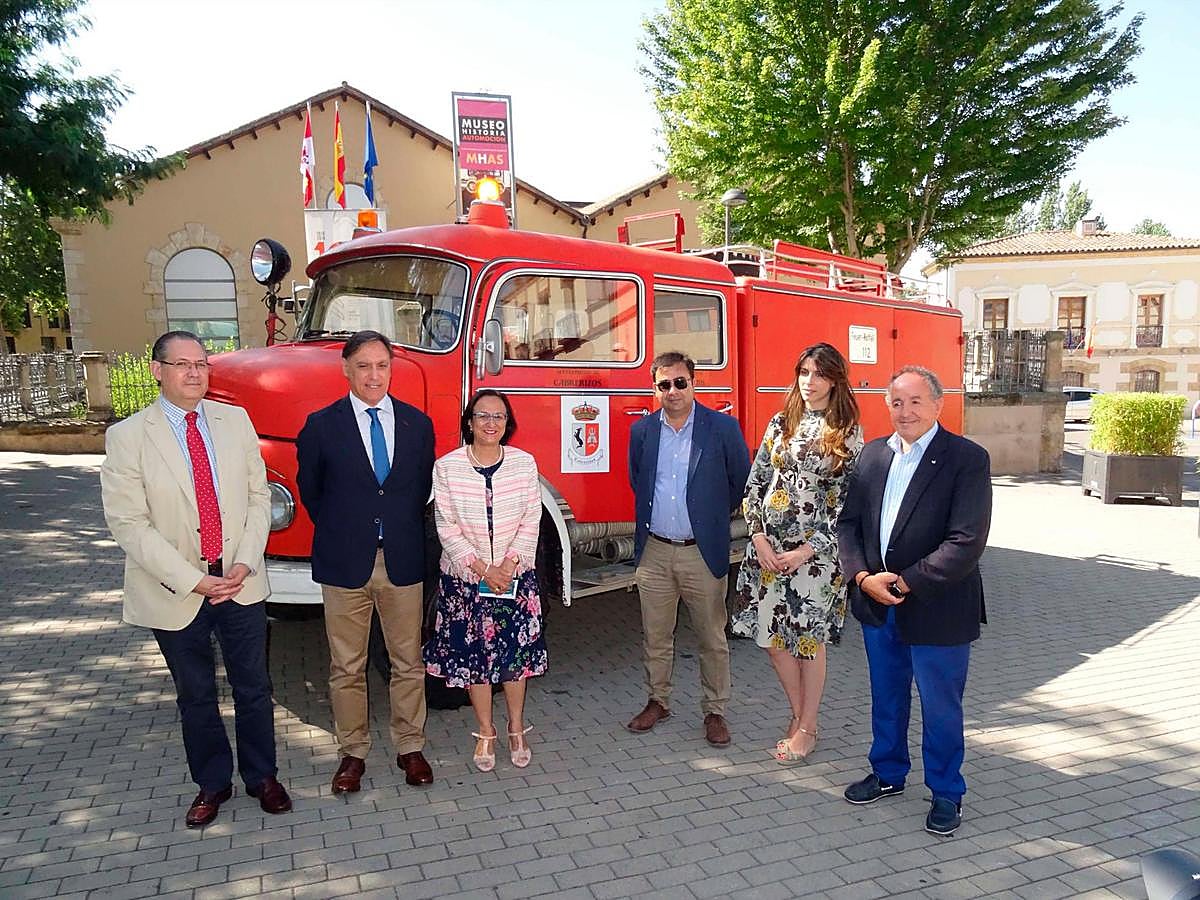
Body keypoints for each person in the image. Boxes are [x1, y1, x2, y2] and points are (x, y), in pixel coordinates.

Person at [100, 330, 291, 828]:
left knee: (254, 687)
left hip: (240, 583)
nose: (194, 373)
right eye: (182, 364)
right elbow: (129, 523)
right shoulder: (127, 437)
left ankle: (262, 777)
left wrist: (245, 562)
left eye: (201, 363)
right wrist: (194, 580)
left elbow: (258, 498)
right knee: (196, 694)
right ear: (156, 370)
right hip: (175, 590)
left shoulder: (235, 421)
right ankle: (212, 783)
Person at [837, 365, 992, 837]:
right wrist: (862, 577)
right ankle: (887, 772)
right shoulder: (872, 455)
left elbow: (966, 541)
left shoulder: (966, 459)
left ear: (938, 405)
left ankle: (946, 791)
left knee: (940, 706)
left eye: (916, 401)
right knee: (886, 696)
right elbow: (849, 525)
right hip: (877, 603)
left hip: (937, 606)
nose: (905, 411)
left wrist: (904, 583)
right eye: (897, 402)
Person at [296, 330, 435, 794]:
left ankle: (410, 746)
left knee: (408, 662)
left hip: (402, 561)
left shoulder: (417, 425)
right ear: (346, 369)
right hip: (344, 563)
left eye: (381, 365)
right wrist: (351, 530)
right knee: (346, 667)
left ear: (391, 369)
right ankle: (352, 753)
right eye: (363, 366)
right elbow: (312, 493)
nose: (374, 375)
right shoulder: (321, 426)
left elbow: (419, 491)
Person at [731, 343, 863, 762]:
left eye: (820, 373)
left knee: (808, 642)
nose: (810, 381)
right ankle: (799, 715)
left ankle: (806, 726)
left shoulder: (846, 431)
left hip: (815, 559)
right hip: (768, 553)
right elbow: (756, 484)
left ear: (835, 380)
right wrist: (758, 537)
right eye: (804, 372)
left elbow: (846, 505)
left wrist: (806, 550)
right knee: (773, 641)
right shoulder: (780, 422)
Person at [627, 351, 752, 746]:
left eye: (680, 382)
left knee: (712, 638)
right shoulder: (642, 431)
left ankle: (715, 710)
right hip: (655, 552)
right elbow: (638, 480)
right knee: (655, 636)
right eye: (664, 384)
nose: (673, 391)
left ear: (694, 384)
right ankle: (658, 701)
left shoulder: (722, 428)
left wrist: (710, 517)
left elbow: (739, 481)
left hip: (702, 551)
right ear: (655, 389)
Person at [424, 389, 547, 771]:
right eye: (482, 415)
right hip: (466, 582)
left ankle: (516, 728)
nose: (490, 423)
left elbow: (532, 517)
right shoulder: (447, 467)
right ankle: (485, 731)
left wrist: (509, 564)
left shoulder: (524, 464)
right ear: (469, 422)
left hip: (514, 578)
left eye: (498, 416)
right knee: (474, 659)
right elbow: (446, 525)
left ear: (508, 423)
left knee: (514, 659)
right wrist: (482, 568)